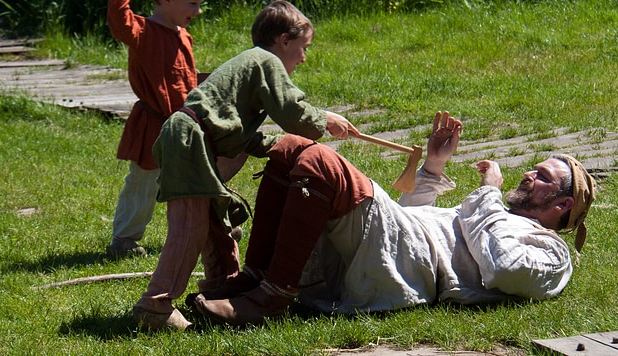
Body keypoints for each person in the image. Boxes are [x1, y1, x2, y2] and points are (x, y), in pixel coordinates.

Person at [194, 111, 597, 326]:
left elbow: (505, 270)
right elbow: (411, 224)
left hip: (411, 271)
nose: (529, 173)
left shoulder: (551, 251)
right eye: (535, 169)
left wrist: (489, 193)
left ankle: (272, 298)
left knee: (320, 161)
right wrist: (435, 168)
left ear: (561, 206)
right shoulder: (492, 216)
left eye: (542, 177)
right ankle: (255, 278)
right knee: (291, 149)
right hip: (401, 248)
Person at [131, 0, 359, 331]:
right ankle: (155, 305)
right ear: (284, 40)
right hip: (190, 138)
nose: (304, 57)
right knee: (190, 225)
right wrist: (325, 119)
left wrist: (277, 147)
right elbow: (293, 113)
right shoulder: (266, 61)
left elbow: (235, 128)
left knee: (213, 220)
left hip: (191, 137)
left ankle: (221, 286)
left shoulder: (253, 64)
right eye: (303, 47)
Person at [98, 0, 211, 259]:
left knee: (198, 179)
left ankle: (208, 231)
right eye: (193, 4)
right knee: (143, 184)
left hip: (183, 124)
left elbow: (184, 80)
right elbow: (121, 23)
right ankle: (124, 239)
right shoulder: (143, 30)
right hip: (153, 124)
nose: (197, 11)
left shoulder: (184, 36)